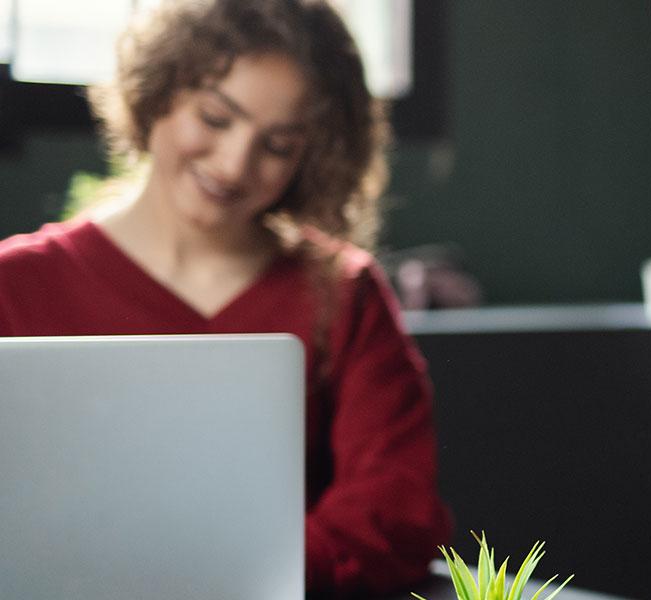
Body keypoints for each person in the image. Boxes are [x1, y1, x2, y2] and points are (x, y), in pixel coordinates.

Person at [0, 0, 450, 596]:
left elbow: (397, 508)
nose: (235, 164)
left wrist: (244, 580)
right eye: (215, 118)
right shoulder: (17, 285)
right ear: (160, 92)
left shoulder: (343, 293)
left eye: (279, 146)